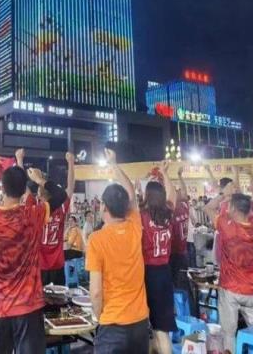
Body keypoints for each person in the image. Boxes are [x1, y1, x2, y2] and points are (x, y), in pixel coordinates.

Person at [0, 160, 67, 353]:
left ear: (3, 188)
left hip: (0, 306)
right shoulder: (33, 215)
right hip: (29, 307)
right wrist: (41, 180)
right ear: (23, 190)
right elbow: (61, 195)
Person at [87, 149, 149, 354]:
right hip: (140, 322)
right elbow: (130, 191)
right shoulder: (135, 226)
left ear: (103, 207)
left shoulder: (96, 240)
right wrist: (115, 164)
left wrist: (99, 316)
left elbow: (96, 292)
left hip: (112, 324)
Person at [204, 187, 253, 353]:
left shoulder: (227, 226)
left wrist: (223, 195)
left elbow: (208, 208)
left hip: (230, 289)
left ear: (233, 209)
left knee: (228, 334)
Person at [140, 161, 177, 354]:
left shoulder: (142, 216)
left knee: (152, 328)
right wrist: (164, 173)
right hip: (165, 272)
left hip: (147, 273)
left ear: (147, 196)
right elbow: (173, 194)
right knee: (161, 327)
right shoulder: (168, 213)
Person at [34, 151, 74, 286]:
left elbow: (22, 193)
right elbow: (70, 189)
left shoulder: (37, 211)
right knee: (59, 297)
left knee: (41, 297)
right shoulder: (61, 208)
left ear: (41, 196)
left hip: (41, 265)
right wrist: (71, 163)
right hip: (57, 264)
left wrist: (20, 160)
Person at [169, 167, 190, 289]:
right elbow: (184, 192)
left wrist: (179, 176)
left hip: (176, 253)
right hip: (181, 252)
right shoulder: (183, 207)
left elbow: (184, 191)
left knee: (178, 284)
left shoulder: (173, 211)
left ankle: (181, 300)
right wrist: (179, 176)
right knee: (181, 283)